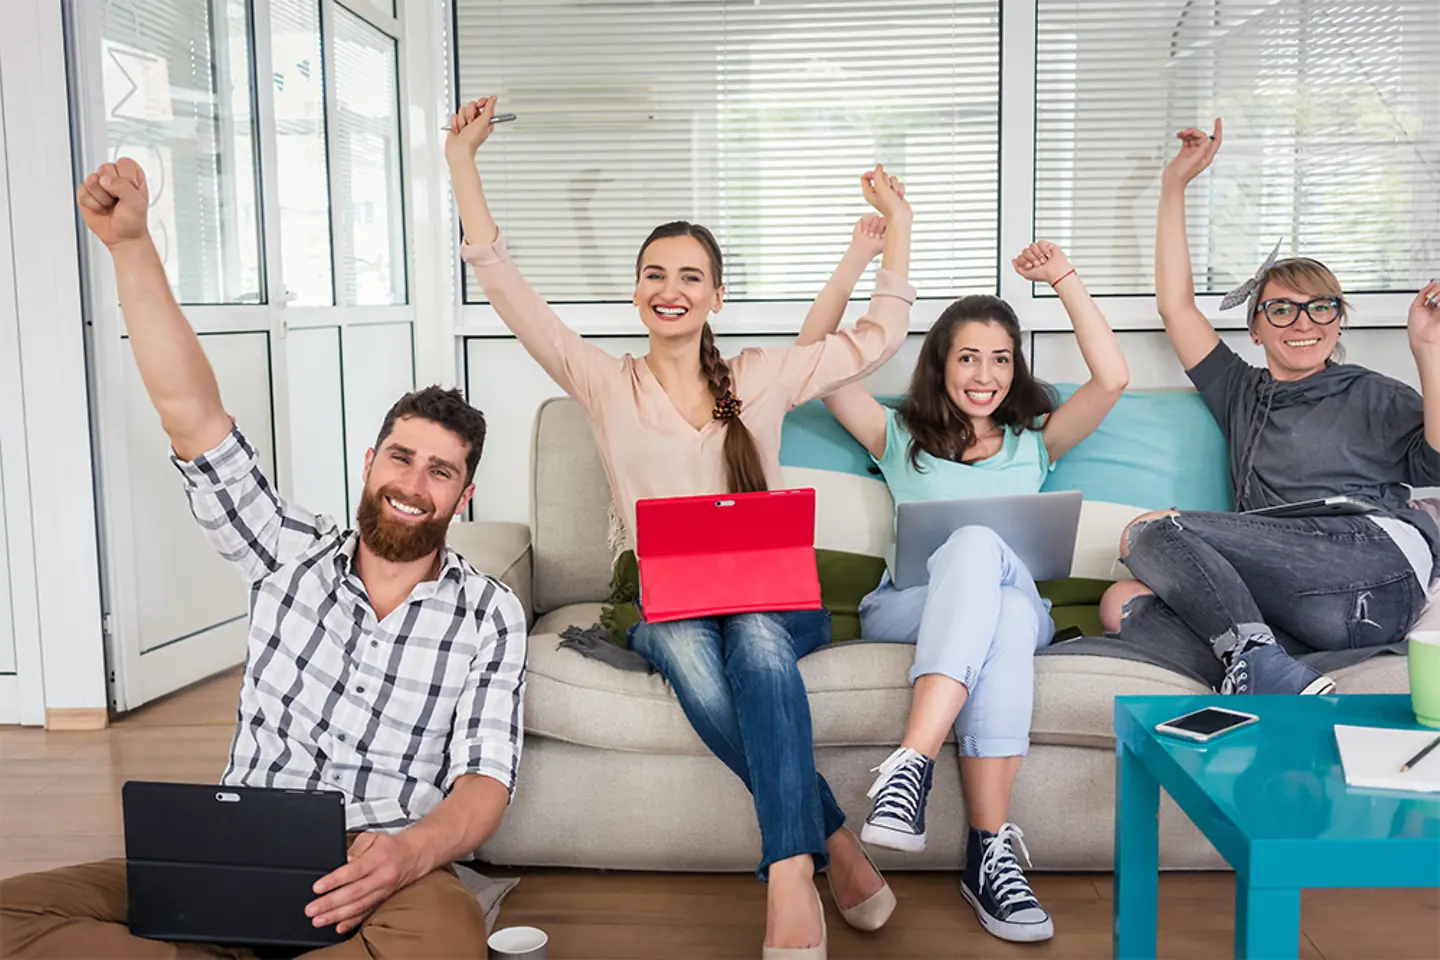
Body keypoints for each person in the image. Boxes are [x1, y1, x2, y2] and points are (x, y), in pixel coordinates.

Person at [0, 158, 527, 959]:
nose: (412, 484)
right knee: (13, 914)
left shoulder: (489, 613)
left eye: (440, 471)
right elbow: (192, 414)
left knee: (444, 937)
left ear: (465, 496)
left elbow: (486, 781)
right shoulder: (287, 550)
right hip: (236, 851)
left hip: (383, 870)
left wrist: (407, 854)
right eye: (400, 457)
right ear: (368, 463)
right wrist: (132, 246)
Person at [447, 94, 914, 959]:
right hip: (661, 599)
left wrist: (900, 226)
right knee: (704, 655)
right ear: (635, 292)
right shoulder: (601, 380)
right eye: (656, 275)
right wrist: (463, 166)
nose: (671, 290)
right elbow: (508, 289)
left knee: (760, 643)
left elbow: (878, 337)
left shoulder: (763, 374)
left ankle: (785, 873)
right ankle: (828, 847)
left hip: (772, 593)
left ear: (717, 296)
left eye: (690, 276)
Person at [797, 240, 1127, 942]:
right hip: (910, 607)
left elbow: (1114, 377)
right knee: (988, 577)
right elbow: (815, 353)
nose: (986, 374)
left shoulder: (1035, 443)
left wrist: (1064, 278)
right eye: (969, 357)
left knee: (999, 584)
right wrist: (856, 261)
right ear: (940, 364)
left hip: (1016, 610)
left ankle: (910, 766)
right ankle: (989, 855)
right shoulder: (896, 437)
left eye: (1001, 358)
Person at [1097, 118, 1440, 697]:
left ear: (1339, 320)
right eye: (1282, 310)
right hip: (1300, 607)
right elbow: (1177, 307)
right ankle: (1269, 664)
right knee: (1121, 602)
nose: (1303, 323)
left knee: (1150, 533)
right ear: (1255, 329)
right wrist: (1174, 185)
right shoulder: (1240, 390)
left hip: (1374, 566)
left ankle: (1255, 661)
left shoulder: (1373, 392)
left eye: (1321, 308)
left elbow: (1436, 467)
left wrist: (1427, 350)